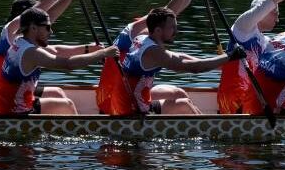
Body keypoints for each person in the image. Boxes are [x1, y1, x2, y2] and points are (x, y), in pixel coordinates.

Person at [95, 0, 206, 114]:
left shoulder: (146, 33)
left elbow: (177, 9)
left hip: (130, 91)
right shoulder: (135, 32)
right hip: (115, 101)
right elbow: (172, 9)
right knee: (183, 103)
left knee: (180, 93)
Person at [0, 0, 93, 111]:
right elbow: (45, 2)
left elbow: (51, 18)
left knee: (58, 92)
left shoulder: (23, 37)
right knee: (67, 105)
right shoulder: (11, 30)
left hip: (10, 92)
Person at [104, 7, 243, 116]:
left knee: (178, 93)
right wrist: (230, 56)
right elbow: (195, 68)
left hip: (132, 96)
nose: (176, 31)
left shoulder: (143, 37)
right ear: (158, 30)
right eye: (172, 28)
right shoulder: (154, 52)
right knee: (185, 104)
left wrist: (221, 64)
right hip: (131, 110)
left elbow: (180, 56)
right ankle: (211, 132)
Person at [0, 7, 118, 115]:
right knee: (67, 105)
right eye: (47, 27)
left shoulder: (20, 41)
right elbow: (68, 64)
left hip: (5, 104)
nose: (51, 31)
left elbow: (56, 50)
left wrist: (88, 48)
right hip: (13, 113)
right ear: (33, 28)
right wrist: (103, 53)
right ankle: (77, 138)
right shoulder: (32, 53)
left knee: (58, 92)